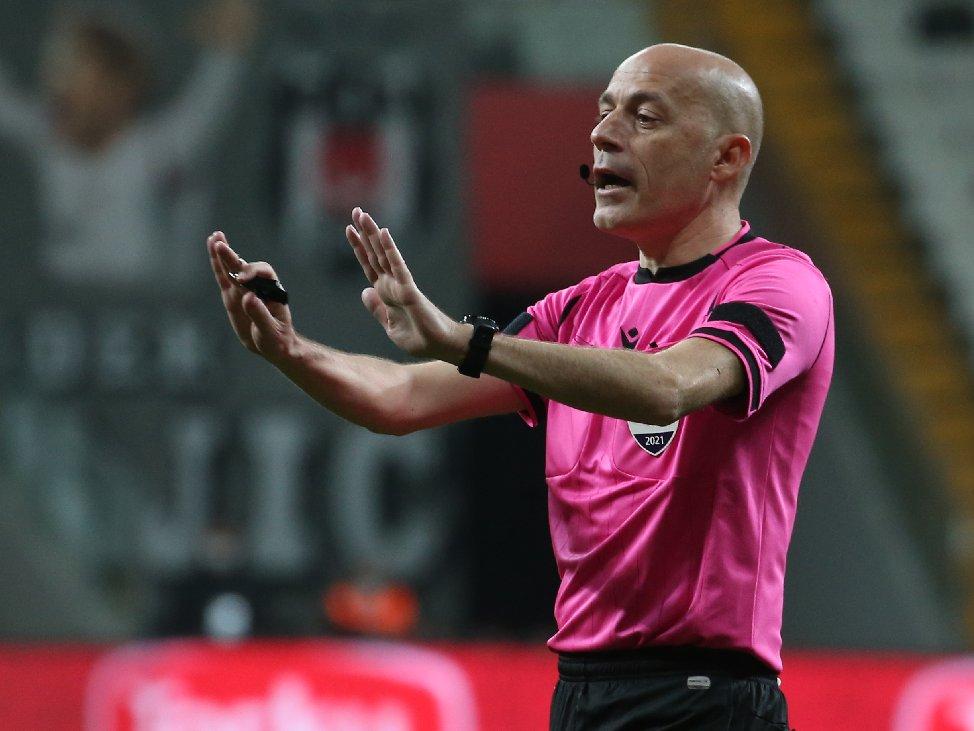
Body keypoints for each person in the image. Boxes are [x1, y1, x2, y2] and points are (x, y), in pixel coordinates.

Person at [208, 43, 833, 730]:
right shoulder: (581, 308)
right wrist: (291, 351)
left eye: (645, 117)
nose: (603, 133)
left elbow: (667, 386)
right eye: (604, 111)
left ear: (727, 158)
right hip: (583, 693)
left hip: (705, 696)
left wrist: (467, 341)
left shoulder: (778, 284)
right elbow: (403, 397)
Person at [0, 0, 257, 286]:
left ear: (120, 86)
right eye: (57, 72)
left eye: (77, 73)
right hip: (57, 305)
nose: (57, 87)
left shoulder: (154, 150)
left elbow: (208, 104)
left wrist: (226, 49)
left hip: (140, 304)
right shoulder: (47, 140)